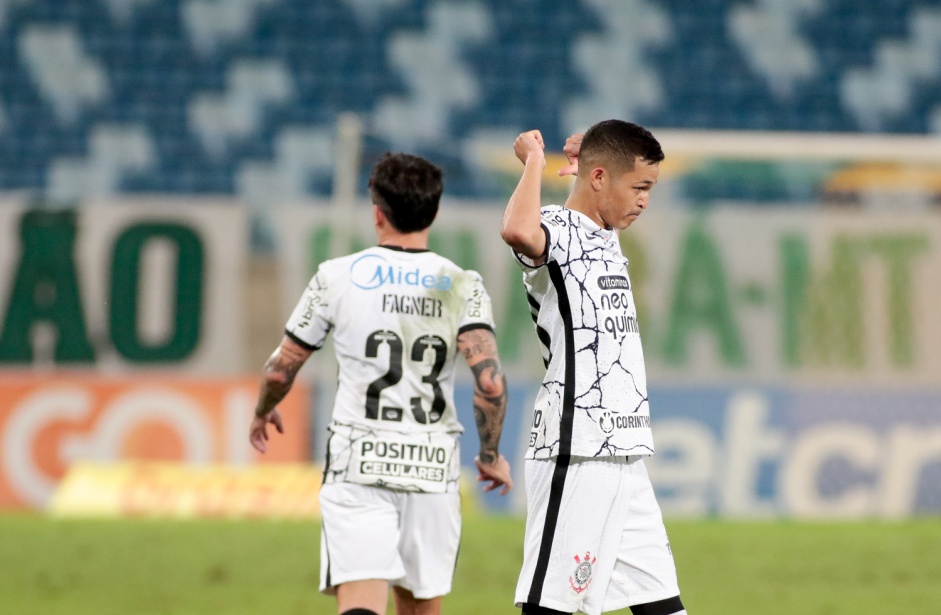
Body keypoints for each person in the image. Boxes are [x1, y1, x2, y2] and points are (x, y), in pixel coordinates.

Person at [250, 152, 512, 615]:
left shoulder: (337, 276)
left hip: (359, 463)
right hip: (432, 467)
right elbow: (490, 383)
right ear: (433, 212)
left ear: (377, 212)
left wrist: (263, 407)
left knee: (360, 601)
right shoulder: (461, 284)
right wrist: (490, 456)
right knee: (419, 608)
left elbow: (279, 369)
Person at [500, 120, 687, 615]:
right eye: (640, 187)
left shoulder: (607, 236)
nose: (645, 200)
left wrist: (591, 159)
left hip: (624, 454)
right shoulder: (554, 231)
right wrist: (536, 162)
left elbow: (609, 161)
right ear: (602, 179)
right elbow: (517, 230)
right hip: (576, 449)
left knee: (664, 608)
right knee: (553, 607)